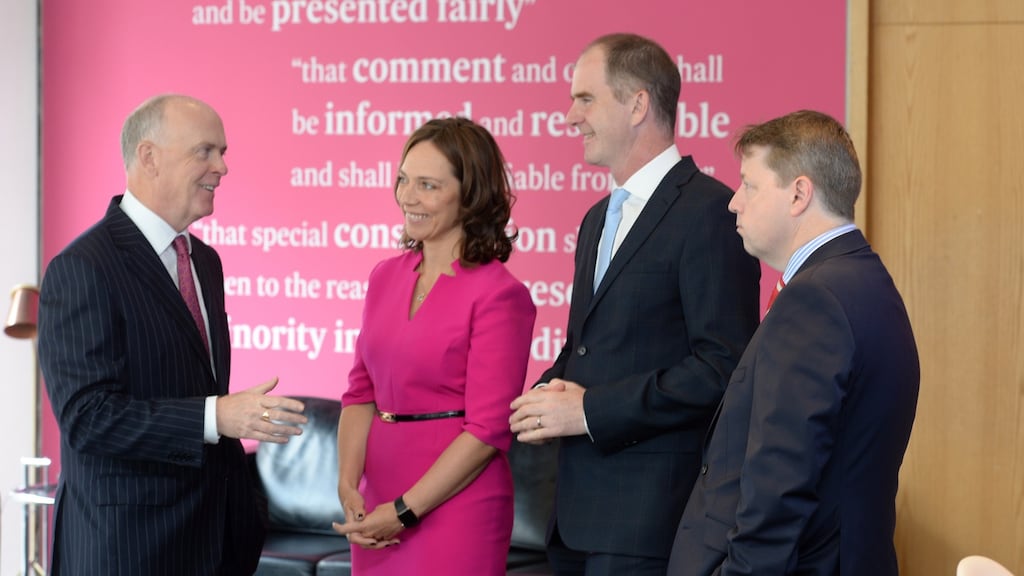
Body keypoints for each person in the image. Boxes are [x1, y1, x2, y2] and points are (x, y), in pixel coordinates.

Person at [508, 33, 761, 575]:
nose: (570, 116)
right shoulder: (597, 219)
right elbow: (592, 348)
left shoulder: (711, 213)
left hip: (650, 520)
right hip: (575, 515)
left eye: (585, 98)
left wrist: (588, 410)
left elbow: (722, 368)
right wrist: (547, 393)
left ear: (638, 103)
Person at [37, 94, 308, 576]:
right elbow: (86, 417)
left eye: (222, 152)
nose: (222, 167)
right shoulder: (82, 267)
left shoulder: (205, 262)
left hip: (213, 542)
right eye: (205, 151)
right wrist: (217, 415)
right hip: (127, 550)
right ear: (149, 158)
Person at [667, 110, 920, 575]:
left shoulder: (815, 300)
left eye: (749, 185)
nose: (733, 203)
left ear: (799, 193)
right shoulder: (863, 280)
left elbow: (778, 484)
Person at [331, 117, 537, 575]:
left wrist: (405, 511)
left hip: (457, 510)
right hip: (376, 505)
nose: (408, 196)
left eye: (427, 185)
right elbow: (360, 394)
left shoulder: (500, 295)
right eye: (404, 179)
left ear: (470, 195)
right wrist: (349, 485)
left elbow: (486, 431)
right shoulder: (384, 276)